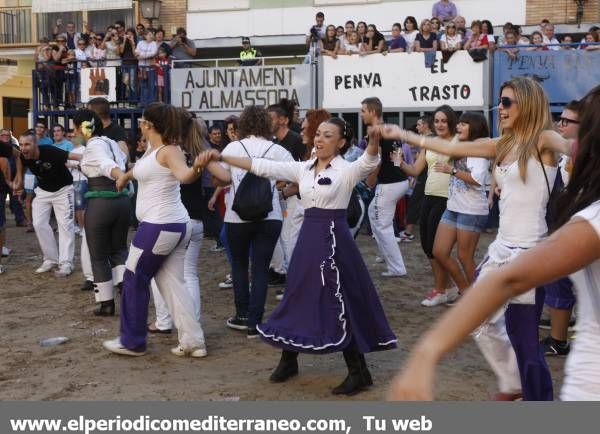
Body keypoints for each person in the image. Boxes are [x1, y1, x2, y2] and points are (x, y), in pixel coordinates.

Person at [388, 84, 600, 402]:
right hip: (500, 249)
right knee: (479, 322)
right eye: (499, 101)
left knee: (524, 340)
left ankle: (537, 400)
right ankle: (514, 383)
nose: (499, 107)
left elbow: (570, 144)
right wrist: (406, 135)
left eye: (506, 102)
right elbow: (457, 149)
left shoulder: (543, 141)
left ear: (526, 105)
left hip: (530, 251)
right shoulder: (502, 144)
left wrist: (578, 142)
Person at [197, 118, 397, 396]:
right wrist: (221, 155)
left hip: (334, 241)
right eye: (318, 134)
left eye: (328, 136)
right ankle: (289, 360)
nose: (319, 139)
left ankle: (358, 371)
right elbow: (262, 166)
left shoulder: (347, 170)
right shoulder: (303, 168)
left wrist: (374, 141)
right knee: (297, 296)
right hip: (309, 239)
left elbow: (369, 161)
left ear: (340, 143)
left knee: (341, 300)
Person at [102, 102, 207, 357]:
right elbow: (141, 171)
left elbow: (184, 175)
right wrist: (125, 177)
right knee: (172, 282)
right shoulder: (154, 148)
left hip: (161, 225)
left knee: (133, 277)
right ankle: (193, 341)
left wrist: (197, 167)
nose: (139, 124)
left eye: (141, 120)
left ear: (148, 124)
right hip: (169, 224)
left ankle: (133, 341)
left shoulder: (169, 151)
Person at [200, 105, 294, 338]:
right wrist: (279, 192)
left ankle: (241, 315)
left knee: (240, 266)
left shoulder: (233, 147)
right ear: (266, 124)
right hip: (269, 216)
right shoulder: (277, 149)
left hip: (236, 216)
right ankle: (255, 323)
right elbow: (296, 178)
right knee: (261, 268)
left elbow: (220, 179)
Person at [149, 110, 208, 351]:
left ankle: (165, 321)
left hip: (173, 220)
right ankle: (193, 324)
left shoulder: (170, 152)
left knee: (160, 273)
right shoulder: (199, 151)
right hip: (196, 220)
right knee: (190, 275)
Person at [395, 106, 455, 306]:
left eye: (444, 121)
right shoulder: (429, 143)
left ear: (451, 122)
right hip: (429, 196)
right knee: (427, 245)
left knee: (438, 249)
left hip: (447, 198)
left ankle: (441, 290)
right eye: (437, 121)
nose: (440, 124)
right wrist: (399, 162)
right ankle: (446, 288)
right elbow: (415, 170)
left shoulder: (458, 143)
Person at [72, 110, 129, 316]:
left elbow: (108, 166)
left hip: (101, 200)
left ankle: (107, 303)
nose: (73, 132)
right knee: (119, 250)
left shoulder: (94, 146)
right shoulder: (110, 142)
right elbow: (122, 158)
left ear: (83, 127)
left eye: (75, 128)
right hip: (122, 203)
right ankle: (126, 291)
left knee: (98, 255)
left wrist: (120, 177)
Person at [429, 112, 490, 304]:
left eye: (464, 124)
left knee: (465, 257)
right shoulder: (462, 147)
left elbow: (478, 181)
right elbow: (447, 151)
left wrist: (453, 170)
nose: (459, 127)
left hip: (471, 210)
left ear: (475, 126)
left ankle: (481, 300)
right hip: (454, 206)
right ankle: (466, 290)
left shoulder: (479, 151)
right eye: (459, 124)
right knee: (439, 251)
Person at [539, 100, 582, 357]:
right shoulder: (565, 153)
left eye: (566, 121)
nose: (560, 124)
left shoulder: (586, 155)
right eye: (559, 119)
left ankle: (559, 339)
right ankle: (562, 327)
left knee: (559, 279)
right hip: (566, 226)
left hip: (578, 230)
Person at [15, 130, 82, 277]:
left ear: (35, 144)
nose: (23, 148)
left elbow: (77, 157)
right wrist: (19, 180)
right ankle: (51, 259)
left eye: (27, 144)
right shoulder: (23, 155)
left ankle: (66, 263)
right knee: (38, 223)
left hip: (64, 190)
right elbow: (19, 160)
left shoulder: (50, 151)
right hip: (43, 192)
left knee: (65, 225)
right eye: (21, 144)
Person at [361, 97, 409, 277]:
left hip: (390, 184)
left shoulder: (375, 132)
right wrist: (398, 171)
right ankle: (385, 254)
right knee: (373, 213)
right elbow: (397, 156)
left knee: (383, 225)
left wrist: (368, 183)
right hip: (399, 181)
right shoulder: (388, 128)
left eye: (363, 111)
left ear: (373, 112)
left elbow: (377, 161)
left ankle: (397, 268)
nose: (361, 114)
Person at [267, 99, 306, 288]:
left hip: (298, 200)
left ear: (282, 120)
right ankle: (285, 275)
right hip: (284, 198)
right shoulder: (274, 143)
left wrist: (283, 184)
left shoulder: (296, 140)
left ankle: (295, 284)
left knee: (291, 241)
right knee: (283, 239)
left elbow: (302, 171)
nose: (268, 122)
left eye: (271, 118)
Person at [399, 115, 433, 243]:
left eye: (419, 124)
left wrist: (400, 162)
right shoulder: (430, 139)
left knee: (415, 204)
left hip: (425, 178)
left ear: (425, 125)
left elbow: (418, 167)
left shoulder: (427, 140)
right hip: (427, 178)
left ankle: (408, 233)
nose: (417, 127)